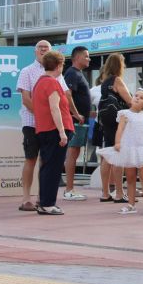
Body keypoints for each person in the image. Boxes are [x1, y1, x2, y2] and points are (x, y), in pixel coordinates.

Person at [16, 40, 80, 211]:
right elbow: (47, 105)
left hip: (46, 125)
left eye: (46, 48)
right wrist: (60, 129)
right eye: (40, 47)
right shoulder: (31, 73)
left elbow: (65, 96)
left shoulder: (50, 79)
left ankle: (42, 199)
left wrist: (74, 113)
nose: (43, 49)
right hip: (38, 124)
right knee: (35, 160)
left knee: (46, 163)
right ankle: (32, 199)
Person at [97, 88, 143, 215]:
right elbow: (120, 130)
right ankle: (131, 205)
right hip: (129, 149)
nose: (137, 98)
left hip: (142, 149)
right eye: (136, 95)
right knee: (130, 178)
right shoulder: (124, 114)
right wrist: (118, 142)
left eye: (141, 98)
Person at [32, 50, 74, 215]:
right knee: (53, 168)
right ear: (59, 65)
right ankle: (48, 203)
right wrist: (62, 132)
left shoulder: (39, 82)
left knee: (47, 167)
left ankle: (44, 202)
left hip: (44, 129)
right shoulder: (52, 83)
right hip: (53, 131)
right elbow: (54, 108)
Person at [96, 52, 132, 203]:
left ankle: (105, 193)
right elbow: (130, 101)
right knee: (117, 155)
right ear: (119, 65)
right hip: (118, 122)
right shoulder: (117, 80)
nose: (124, 66)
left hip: (107, 121)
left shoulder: (104, 81)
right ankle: (119, 193)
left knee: (107, 156)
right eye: (123, 63)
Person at [62, 46, 92, 201]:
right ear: (77, 57)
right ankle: (69, 190)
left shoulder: (77, 74)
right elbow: (67, 94)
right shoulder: (72, 73)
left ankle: (70, 189)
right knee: (72, 153)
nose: (89, 59)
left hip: (80, 120)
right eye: (86, 56)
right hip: (76, 121)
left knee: (75, 153)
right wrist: (76, 114)